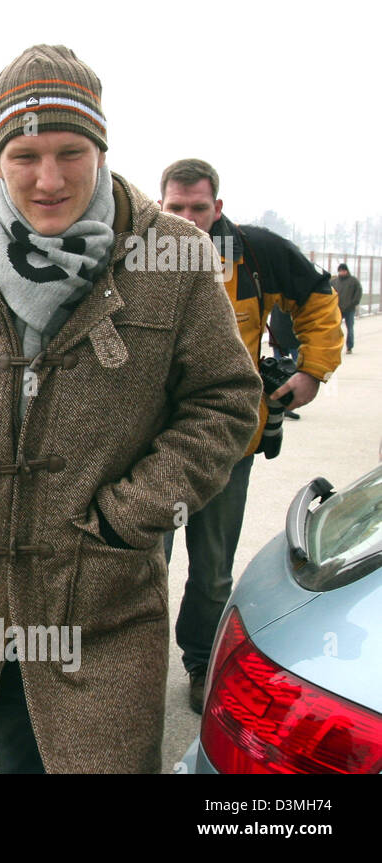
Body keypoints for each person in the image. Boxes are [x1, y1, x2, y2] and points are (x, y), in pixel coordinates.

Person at [0, 45, 262, 772]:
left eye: (70, 151)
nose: (49, 179)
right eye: (25, 154)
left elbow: (227, 398)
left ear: (102, 148)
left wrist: (131, 513)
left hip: (104, 607)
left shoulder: (172, 256)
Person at [159, 157, 343, 712]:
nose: (188, 220)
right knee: (142, 570)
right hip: (150, 448)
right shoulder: (131, 251)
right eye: (176, 209)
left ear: (218, 207)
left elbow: (317, 300)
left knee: (212, 573)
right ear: (159, 206)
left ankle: (198, 665)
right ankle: (131, 673)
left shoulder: (254, 252)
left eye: (198, 208)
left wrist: (313, 370)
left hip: (227, 444)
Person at [331, 263, 362, 354]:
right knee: (335, 328)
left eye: (343, 271)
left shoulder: (353, 281)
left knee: (350, 328)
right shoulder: (334, 282)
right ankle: (335, 346)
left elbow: (358, 292)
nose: (342, 273)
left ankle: (349, 347)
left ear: (347, 271)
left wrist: (353, 303)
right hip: (337, 309)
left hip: (349, 309)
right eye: (340, 271)